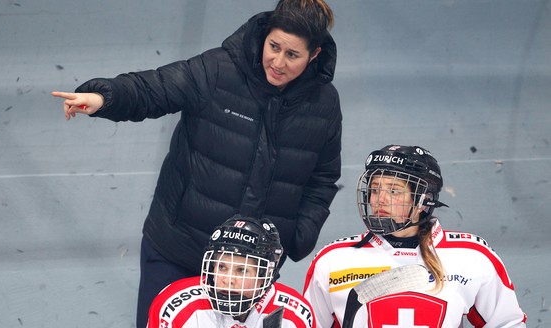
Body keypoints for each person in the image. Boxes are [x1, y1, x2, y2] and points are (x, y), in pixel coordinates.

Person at [52, 1, 340, 327]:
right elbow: (154, 88)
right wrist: (104, 98)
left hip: (249, 268)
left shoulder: (324, 104)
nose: (278, 62)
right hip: (179, 249)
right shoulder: (216, 70)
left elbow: (323, 178)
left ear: (314, 55)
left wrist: (295, 235)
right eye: (273, 47)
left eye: (292, 55)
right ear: (264, 36)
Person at [303, 145, 527, 327]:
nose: (379, 199)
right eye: (374, 189)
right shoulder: (334, 259)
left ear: (423, 199)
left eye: (393, 190)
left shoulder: (472, 256)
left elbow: (508, 323)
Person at [147, 215, 315, 327]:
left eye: (242, 270)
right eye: (222, 267)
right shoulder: (177, 308)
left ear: (265, 274)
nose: (228, 279)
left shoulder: (293, 316)